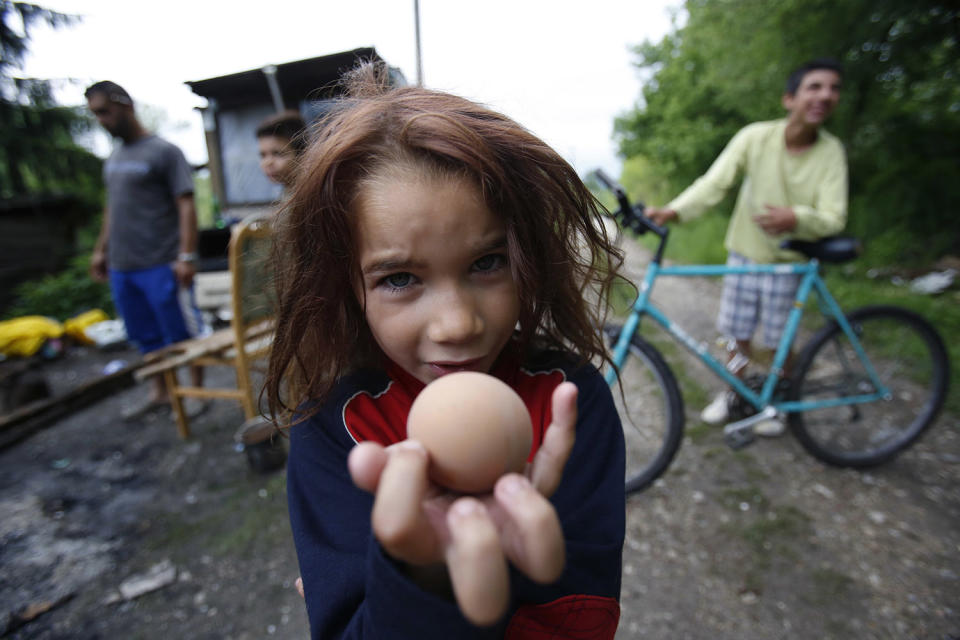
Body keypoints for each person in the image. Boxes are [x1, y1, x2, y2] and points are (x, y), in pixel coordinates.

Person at [265, 62, 627, 638]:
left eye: (486, 263)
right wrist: (420, 574)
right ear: (346, 286)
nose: (457, 324)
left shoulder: (568, 401)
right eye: (400, 278)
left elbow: (586, 617)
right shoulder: (338, 428)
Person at [646, 58, 847, 436]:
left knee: (778, 341)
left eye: (834, 88)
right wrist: (673, 211)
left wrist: (796, 217)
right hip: (744, 253)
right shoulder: (755, 137)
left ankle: (777, 404)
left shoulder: (831, 152)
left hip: (789, 261)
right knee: (736, 332)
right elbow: (715, 182)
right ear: (790, 99)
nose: (826, 95)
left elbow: (834, 216)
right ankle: (734, 394)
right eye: (815, 87)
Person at [85, 81, 207, 419]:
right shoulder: (114, 159)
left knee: (181, 331)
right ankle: (161, 392)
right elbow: (113, 208)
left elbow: (185, 204)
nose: (101, 121)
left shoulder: (164, 152)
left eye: (104, 112)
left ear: (125, 105)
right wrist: (101, 251)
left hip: (162, 263)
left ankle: (196, 392)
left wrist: (186, 256)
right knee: (145, 334)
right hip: (124, 266)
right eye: (95, 115)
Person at [256, 109, 308, 189]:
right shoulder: (288, 192)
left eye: (277, 154)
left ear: (302, 154)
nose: (267, 163)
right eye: (263, 155)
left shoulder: (313, 196)